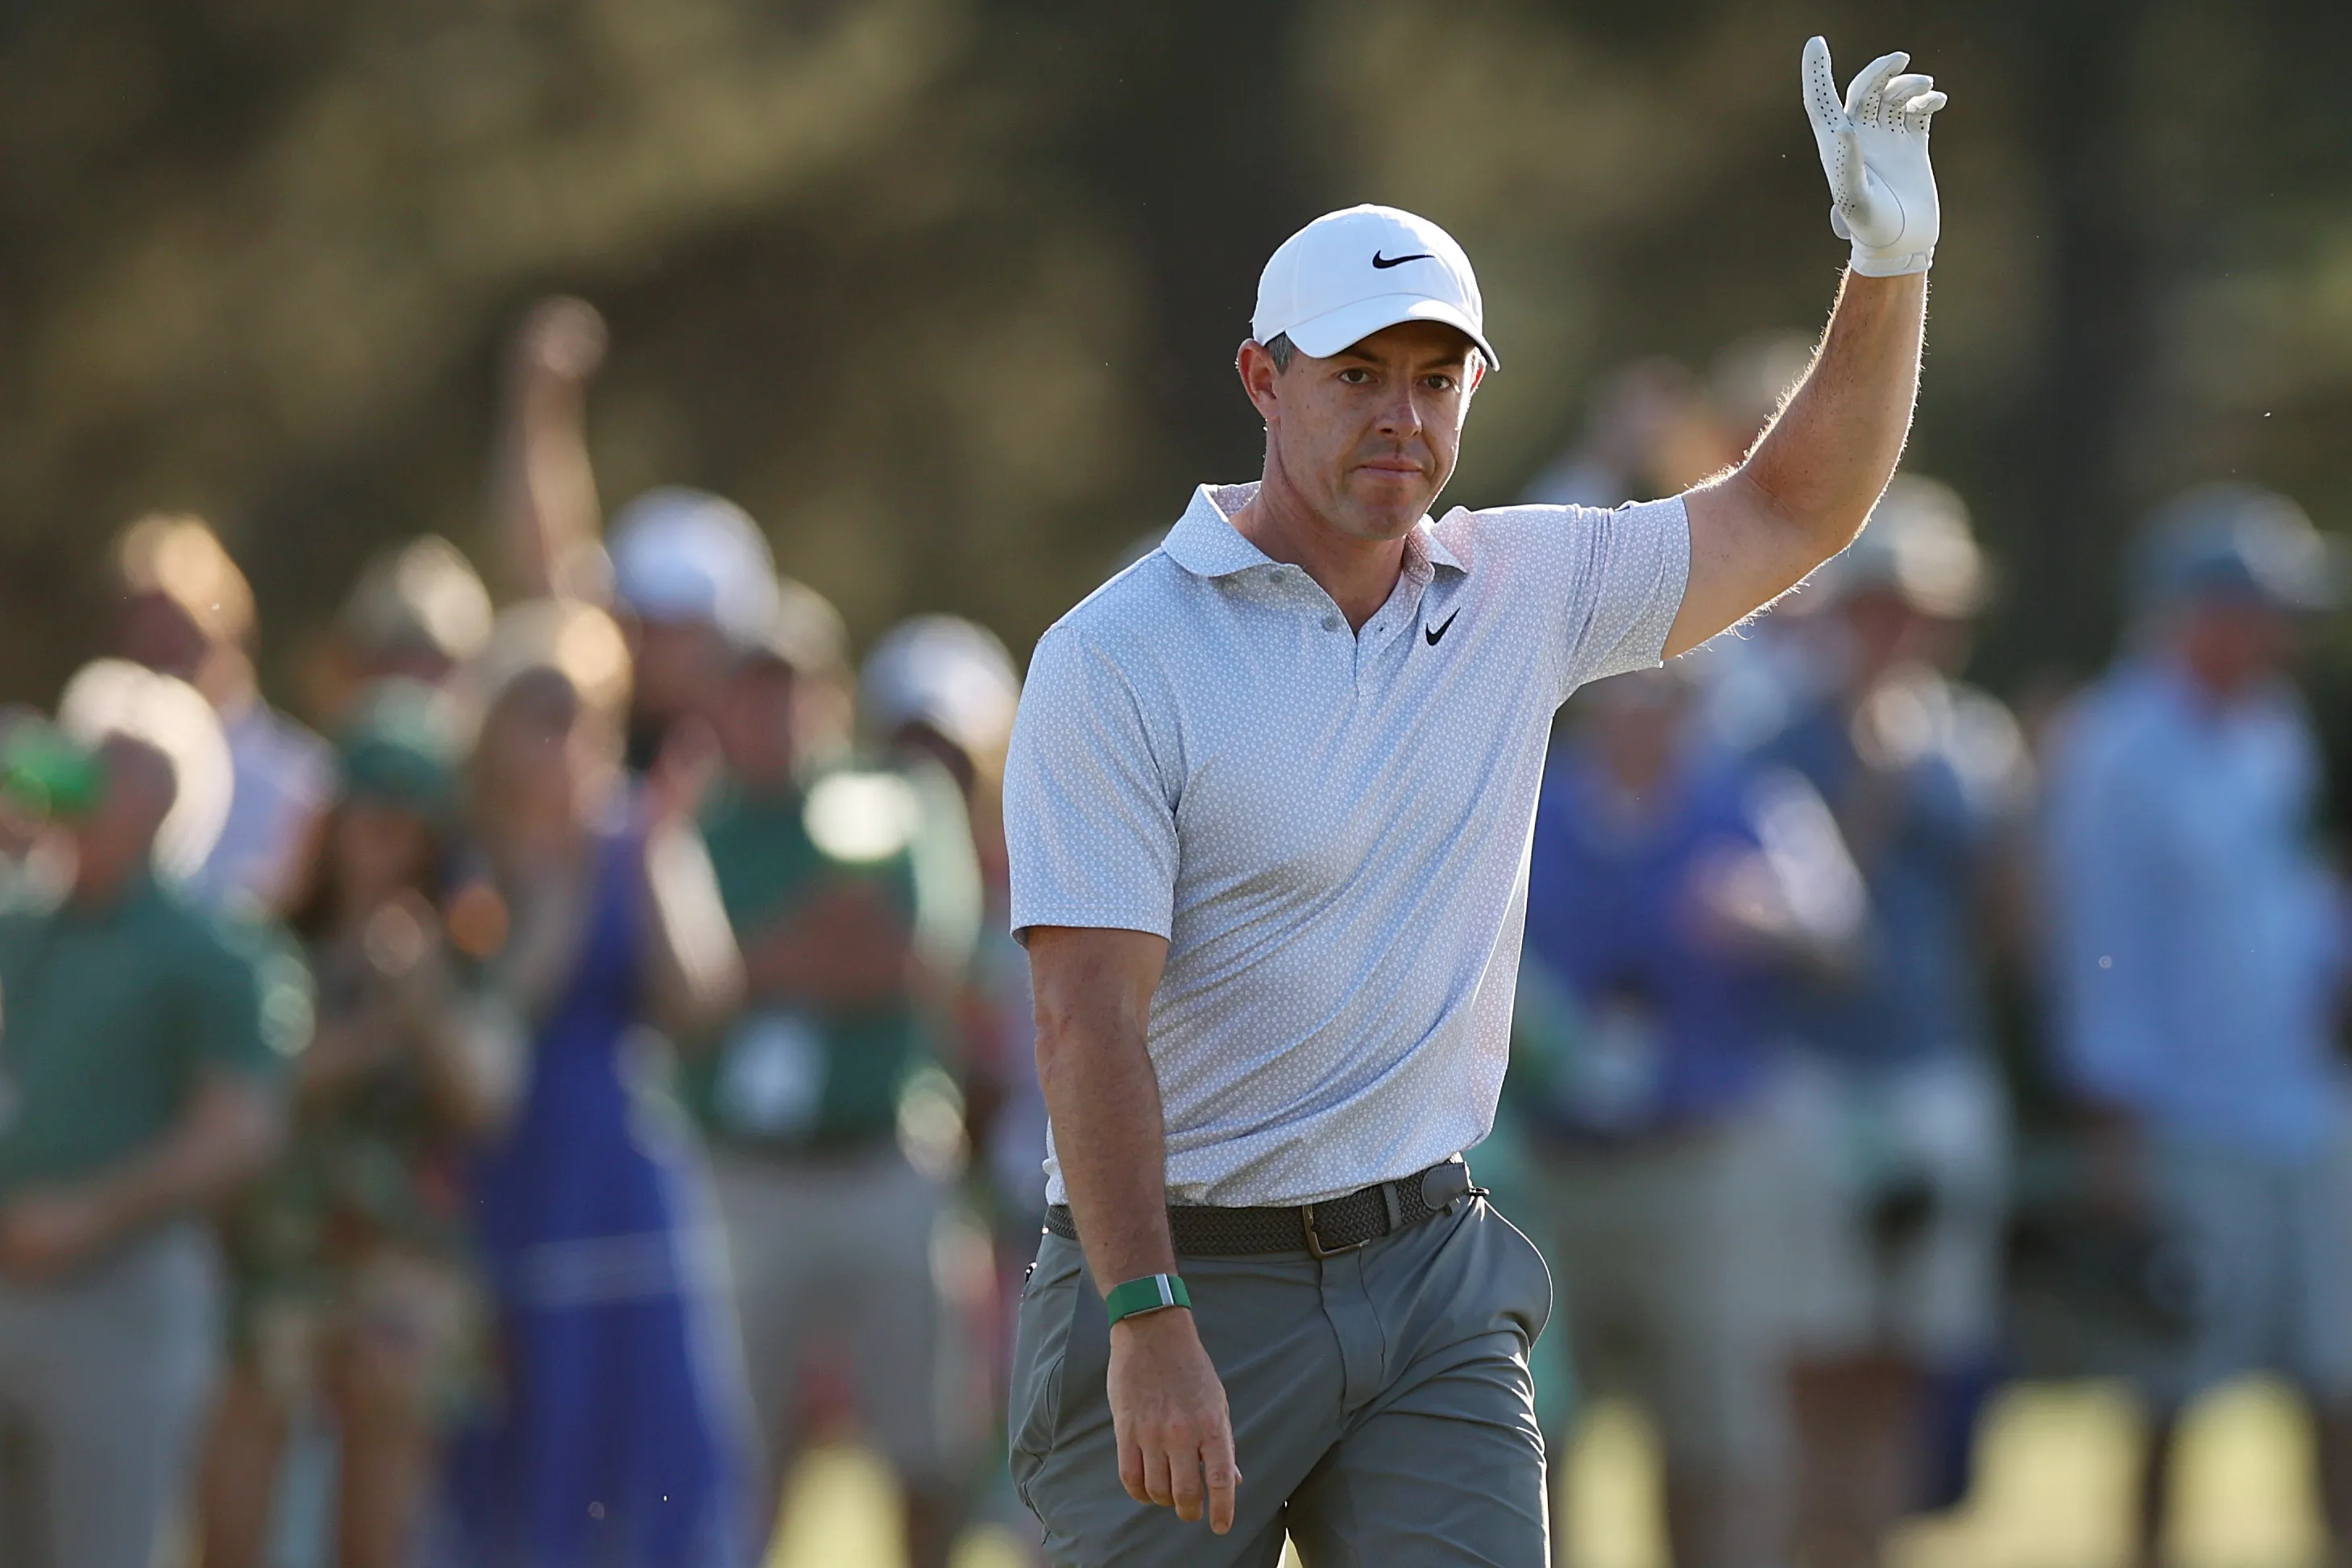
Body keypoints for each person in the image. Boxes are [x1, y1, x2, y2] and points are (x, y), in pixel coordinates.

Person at [1000, 38, 1949, 1564]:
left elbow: (1791, 507)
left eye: (1435, 380)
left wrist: (1883, 266)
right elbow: (1083, 1021)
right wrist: (1143, 1315)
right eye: (1357, 375)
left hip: (1429, 1265)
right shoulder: (1118, 656)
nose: (1401, 417)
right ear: (1261, 379)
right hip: (1183, 1272)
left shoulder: (1519, 587)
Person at [2042, 483, 2352, 1565]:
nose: (2282, 636)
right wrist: (2110, 1135)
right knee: (2165, 1395)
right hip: (2179, 1122)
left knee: (2335, 1383)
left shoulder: (2271, 731)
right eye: (2264, 611)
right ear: (2197, 613)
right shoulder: (2116, 748)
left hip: (2300, 1106)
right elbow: (2098, 952)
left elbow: (2295, 897)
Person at [1515, 665, 1863, 1568]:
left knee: (1715, 1442)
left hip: (1702, 1163)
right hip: (1556, 1167)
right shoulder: (1529, 803)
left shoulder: (1752, 805)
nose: (1644, 712)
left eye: (1665, 693)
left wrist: (1773, 919)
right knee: (1536, 1437)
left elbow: (1843, 936)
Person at [435, 600, 752, 1568]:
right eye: (538, 714)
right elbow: (491, 1019)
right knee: (527, 1453)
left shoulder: (638, 837)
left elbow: (704, 996)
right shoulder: (468, 863)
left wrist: (654, 856)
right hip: (511, 1183)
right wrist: (559, 896)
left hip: (630, 1179)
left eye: (579, 716)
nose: (561, 742)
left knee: (652, 1449)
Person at [1749, 478, 2029, 1567]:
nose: (1902, 629)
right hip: (1810, 1081)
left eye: (1919, 607)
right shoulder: (1780, 742)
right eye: (1881, 606)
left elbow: (2004, 933)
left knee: (1907, 1358)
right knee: (1812, 1354)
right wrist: (1876, 776)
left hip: (1933, 1071)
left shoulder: (1977, 742)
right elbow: (1822, 921)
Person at [682, 589, 984, 1567]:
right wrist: (823, 934)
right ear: (724, 705)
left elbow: (921, 961)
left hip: (888, 1157)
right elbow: (696, 991)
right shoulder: (695, 820)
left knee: (924, 1445)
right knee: (734, 1446)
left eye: (797, 690)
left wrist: (763, 956)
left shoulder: (902, 797)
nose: (779, 715)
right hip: (741, 1171)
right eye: (757, 693)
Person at [199, 681, 525, 1568]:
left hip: (402, 1260)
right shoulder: (266, 944)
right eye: (374, 817)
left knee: (377, 1538)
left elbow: (488, 1099)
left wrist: (422, 1004)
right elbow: (254, 1088)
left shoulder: (462, 952)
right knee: (231, 1528)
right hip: (275, 1256)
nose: (390, 843)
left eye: (413, 826)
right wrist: (373, 1032)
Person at [0, 662, 307, 1568]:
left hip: (123, 1291)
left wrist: (92, 1210)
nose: (83, 777)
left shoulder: (209, 947)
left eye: (112, 764)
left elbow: (243, 1128)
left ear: (162, 796)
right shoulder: (22, 924)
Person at [111, 512, 337, 914]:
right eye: (145, 635)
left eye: (180, 632)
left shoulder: (302, 783)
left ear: (228, 629)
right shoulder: (106, 770)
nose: (163, 655)